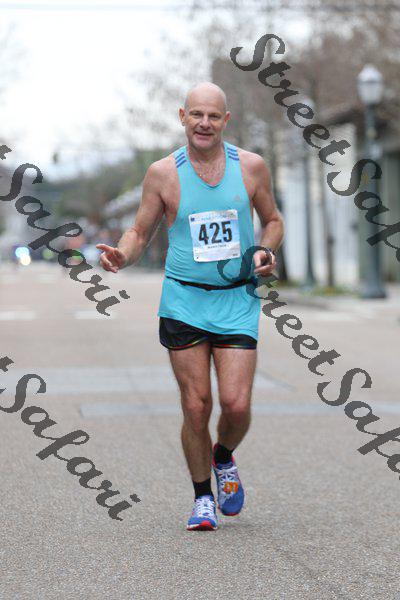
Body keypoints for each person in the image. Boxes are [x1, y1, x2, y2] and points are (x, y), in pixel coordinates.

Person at [97, 81, 284, 531]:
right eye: (196, 114)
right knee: (196, 406)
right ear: (183, 117)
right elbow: (139, 232)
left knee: (235, 405)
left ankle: (223, 456)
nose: (204, 123)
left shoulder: (251, 167)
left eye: (213, 116)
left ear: (225, 121)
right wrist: (123, 254)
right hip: (183, 300)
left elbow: (273, 220)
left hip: (236, 299)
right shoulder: (163, 173)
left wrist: (265, 250)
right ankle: (203, 498)